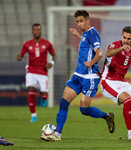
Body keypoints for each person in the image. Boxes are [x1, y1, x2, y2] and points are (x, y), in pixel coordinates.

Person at [41, 10, 115, 141]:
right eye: (77, 22)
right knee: (64, 102)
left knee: (84, 109)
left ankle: (107, 116)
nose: (79, 24)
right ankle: (57, 134)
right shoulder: (86, 34)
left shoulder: (93, 33)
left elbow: (99, 53)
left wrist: (91, 63)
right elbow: (87, 43)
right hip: (78, 75)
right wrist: (78, 36)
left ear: (87, 20)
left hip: (90, 77)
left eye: (81, 21)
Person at [16, 23, 56, 122]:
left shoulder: (47, 43)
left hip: (42, 72)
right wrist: (19, 57)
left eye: (38, 29)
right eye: (34, 30)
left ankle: (44, 97)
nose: (36, 31)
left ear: (41, 31)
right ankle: (33, 115)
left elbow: (54, 55)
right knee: (31, 90)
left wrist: (51, 62)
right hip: (31, 70)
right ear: (32, 31)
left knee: (44, 94)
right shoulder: (27, 44)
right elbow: (21, 54)